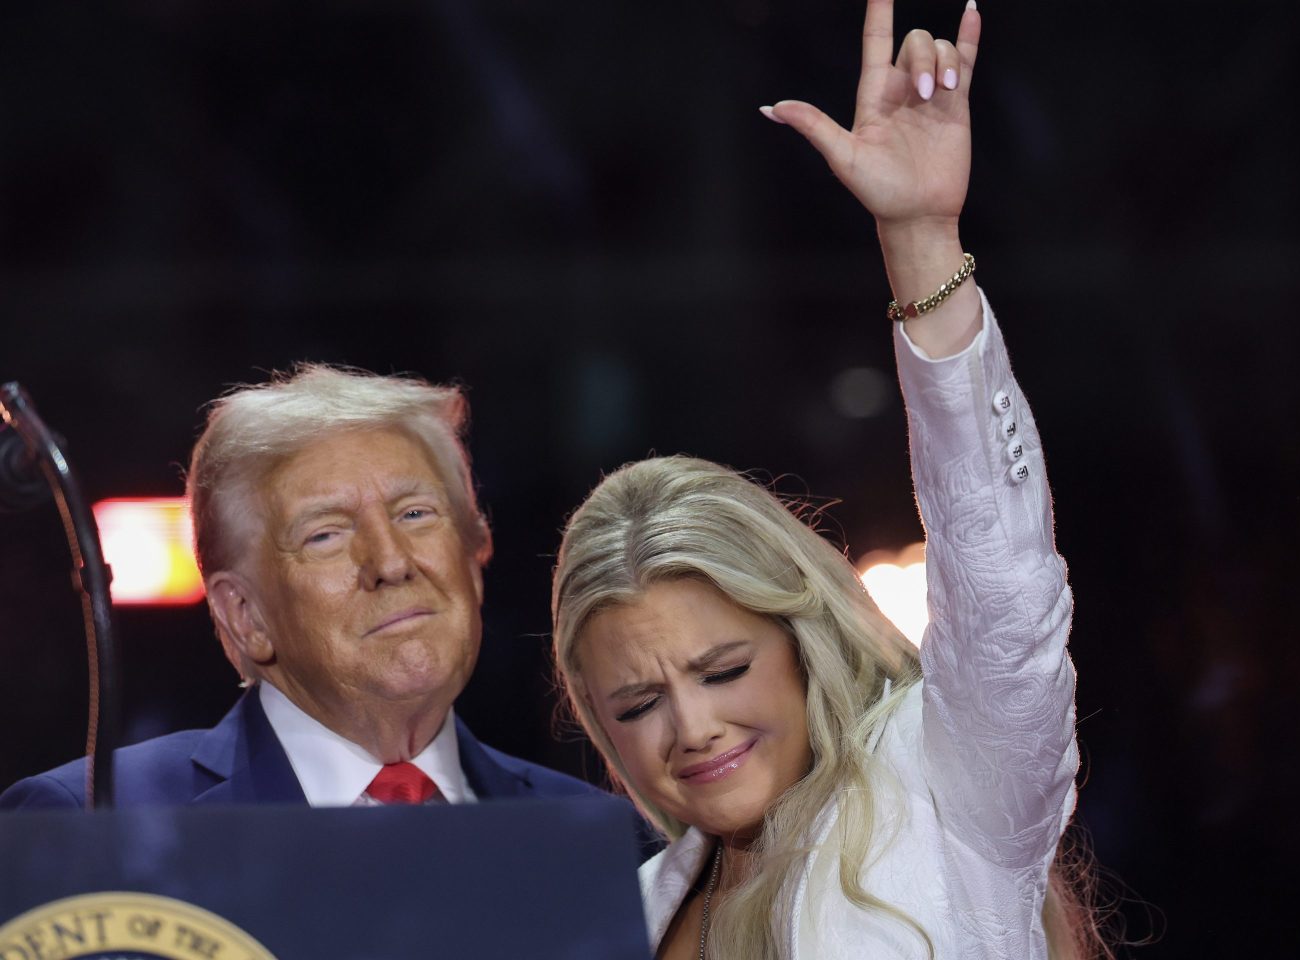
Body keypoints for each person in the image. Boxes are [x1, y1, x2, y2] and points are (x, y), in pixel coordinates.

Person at [551, 1, 1104, 957]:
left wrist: (921, 239)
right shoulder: (612, 920)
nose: (692, 727)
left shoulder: (945, 785)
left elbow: (1005, 584)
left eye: (723, 670)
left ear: (803, 643)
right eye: (637, 705)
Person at [1, 365, 604, 811]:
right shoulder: (98, 821)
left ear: (473, 556)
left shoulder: (598, 837)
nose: (391, 562)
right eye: (325, 535)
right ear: (245, 616)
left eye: (415, 514)